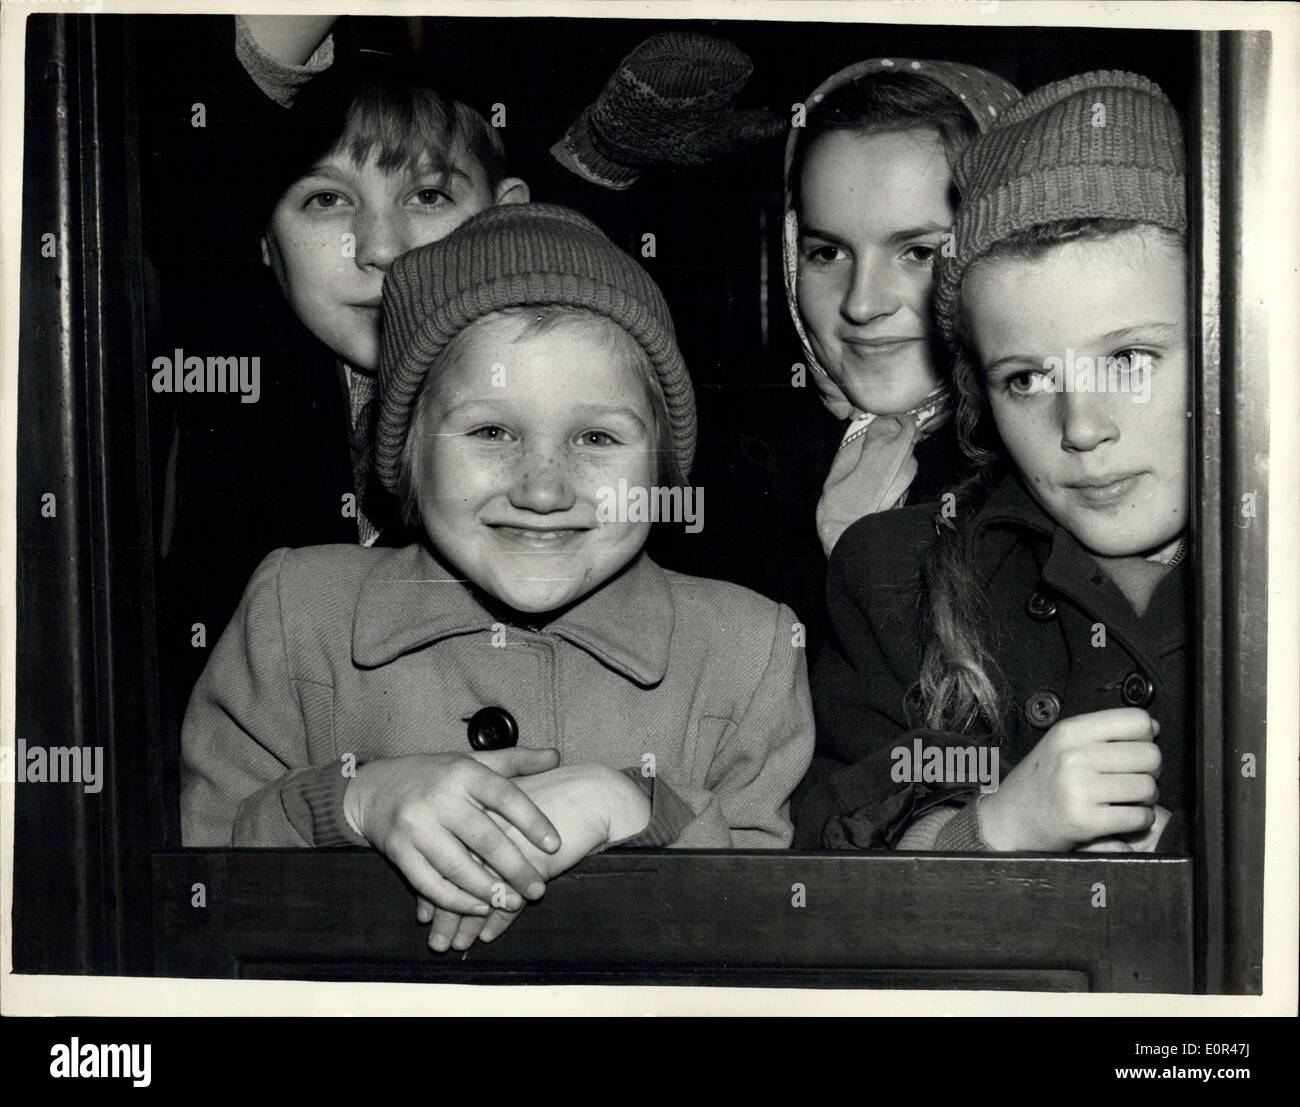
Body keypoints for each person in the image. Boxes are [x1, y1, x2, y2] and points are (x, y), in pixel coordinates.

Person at [181, 203, 814, 952]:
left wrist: (638, 807)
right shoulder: (296, 614)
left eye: (596, 437)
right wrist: (351, 800)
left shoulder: (750, 654)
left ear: (661, 468)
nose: (542, 489)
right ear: (410, 453)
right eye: (490, 431)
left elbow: (768, 946)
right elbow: (196, 908)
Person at [793, 70, 1191, 854]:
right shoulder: (898, 576)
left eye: (1130, 359)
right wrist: (988, 829)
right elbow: (835, 871)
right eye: (1028, 378)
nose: (1080, 427)